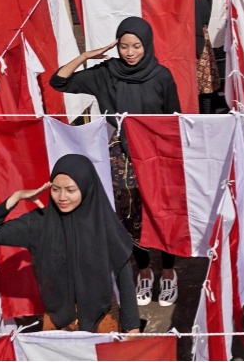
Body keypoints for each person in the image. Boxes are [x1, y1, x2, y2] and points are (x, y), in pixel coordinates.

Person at [49, 17, 181, 308]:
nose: (130, 52)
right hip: (120, 158)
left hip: (156, 156)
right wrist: (86, 56)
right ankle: (144, 269)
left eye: (136, 46)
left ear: (147, 45)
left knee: (161, 212)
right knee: (130, 216)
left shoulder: (162, 76)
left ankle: (169, 270)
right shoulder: (106, 73)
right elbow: (58, 81)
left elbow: (174, 119)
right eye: (123, 46)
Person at [0, 154, 140, 334]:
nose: (62, 197)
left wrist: (132, 327)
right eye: (55, 189)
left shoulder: (104, 223)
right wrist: (17, 196)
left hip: (102, 316)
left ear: (86, 188)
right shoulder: (39, 222)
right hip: (57, 320)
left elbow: (124, 276)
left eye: (70, 190)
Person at [137, 0, 220, 113]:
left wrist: (193, 33)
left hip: (193, 35)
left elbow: (204, 12)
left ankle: (206, 121)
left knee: (202, 85)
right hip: (166, 38)